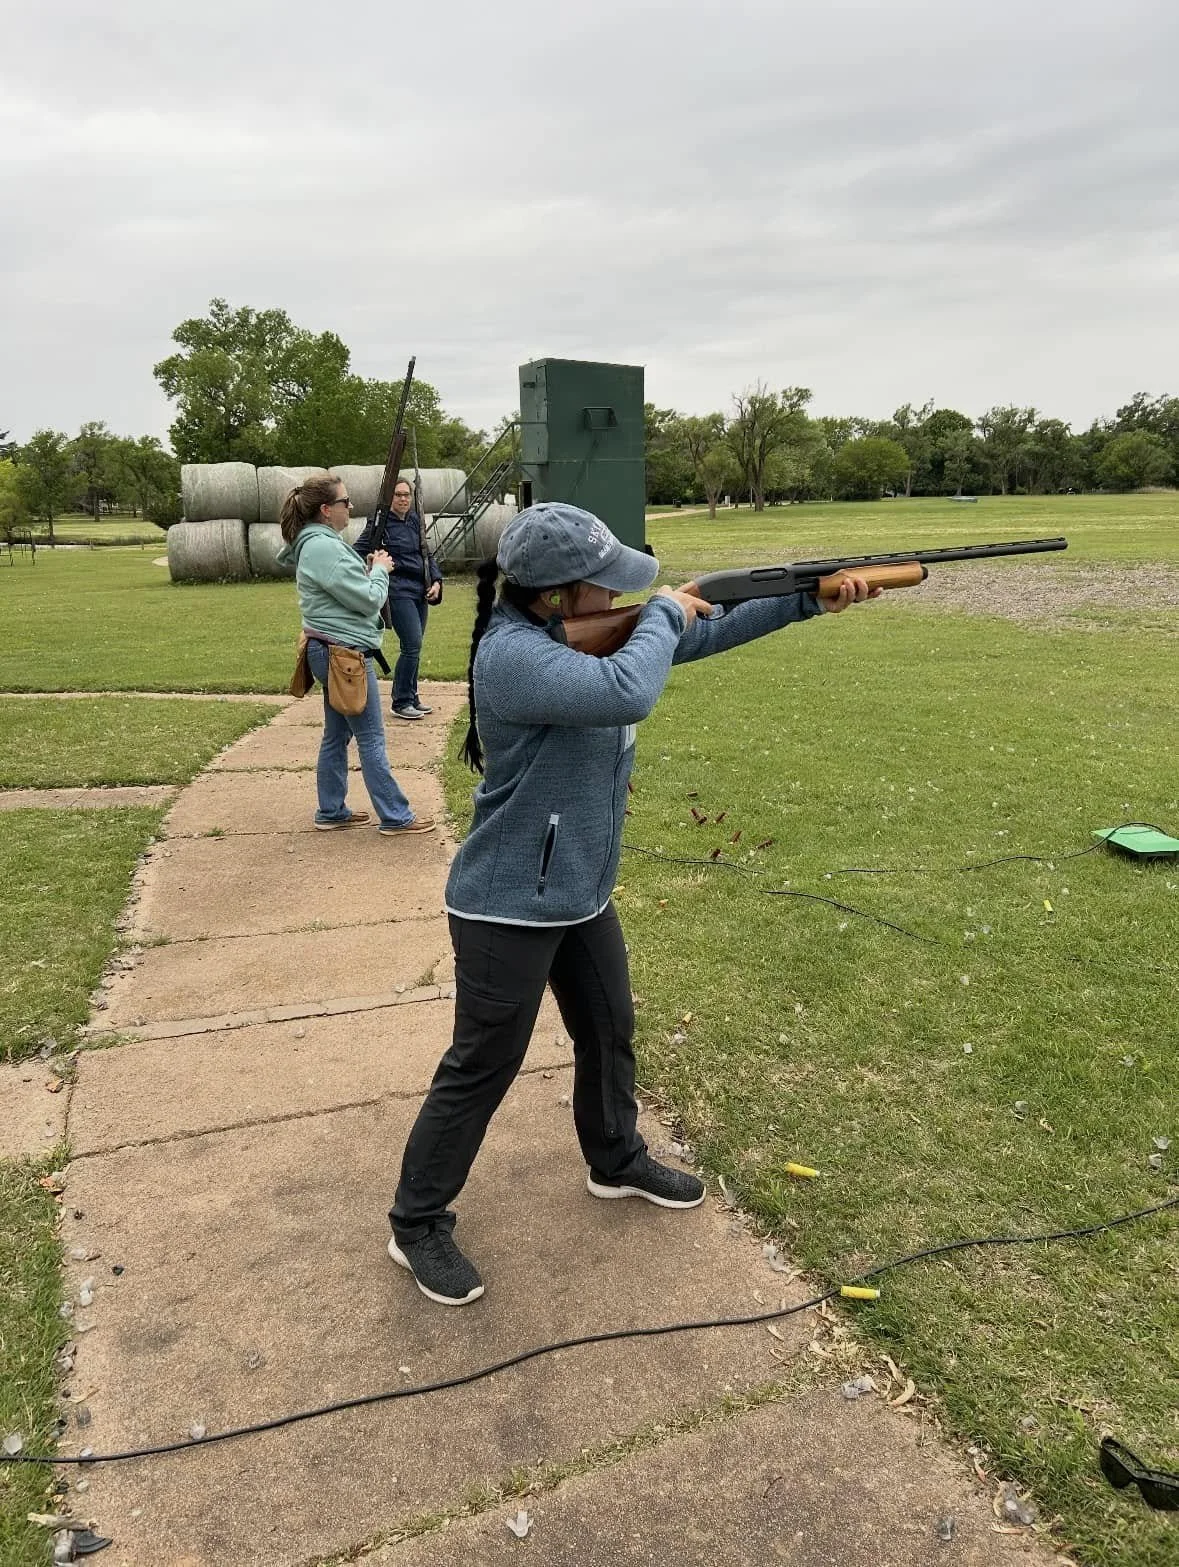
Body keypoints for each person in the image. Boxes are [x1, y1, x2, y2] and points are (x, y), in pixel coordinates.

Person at [387, 501, 880, 1305]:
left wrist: (804, 600)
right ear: (554, 596)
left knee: (610, 1030)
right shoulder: (511, 655)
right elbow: (626, 690)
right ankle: (415, 1223)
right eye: (604, 586)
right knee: (482, 1064)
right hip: (505, 904)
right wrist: (658, 611)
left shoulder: (587, 634)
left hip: (578, 891)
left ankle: (614, 1159)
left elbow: (696, 632)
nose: (622, 596)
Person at [277, 475, 436, 837]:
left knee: (336, 736)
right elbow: (369, 599)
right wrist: (380, 571)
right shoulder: (323, 547)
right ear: (326, 509)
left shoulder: (320, 544)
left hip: (330, 652)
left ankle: (331, 811)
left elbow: (343, 591)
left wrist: (366, 571)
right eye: (345, 501)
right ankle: (396, 816)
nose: (350, 507)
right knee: (371, 738)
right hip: (344, 656)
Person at [354, 478, 443, 720]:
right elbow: (357, 550)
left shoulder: (415, 520)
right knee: (412, 644)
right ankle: (401, 701)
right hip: (397, 590)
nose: (403, 499)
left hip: (419, 589)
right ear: (389, 498)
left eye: (407, 495)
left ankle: (411, 696)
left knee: (415, 646)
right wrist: (370, 566)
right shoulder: (380, 523)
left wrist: (436, 581)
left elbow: (427, 553)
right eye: (398, 495)